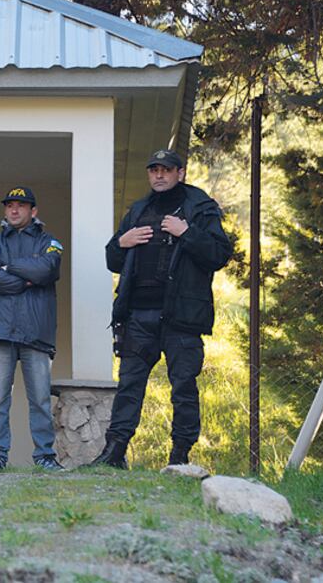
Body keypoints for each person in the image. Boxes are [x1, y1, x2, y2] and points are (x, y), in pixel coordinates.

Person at [90, 149, 232, 469]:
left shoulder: (200, 207)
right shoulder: (139, 210)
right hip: (138, 315)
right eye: (154, 169)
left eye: (166, 169)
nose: (159, 175)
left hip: (181, 317)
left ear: (180, 173)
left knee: (183, 386)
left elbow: (220, 255)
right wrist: (121, 243)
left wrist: (187, 233)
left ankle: (180, 456)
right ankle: (114, 453)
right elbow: (113, 260)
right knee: (129, 385)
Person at [0, 187, 64, 471]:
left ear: (33, 211)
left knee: (39, 398)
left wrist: (7, 267)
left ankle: (45, 457)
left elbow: (46, 271)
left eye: (21, 206)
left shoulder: (50, 242)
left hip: (36, 333)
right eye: (9, 206)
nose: (14, 211)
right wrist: (26, 276)